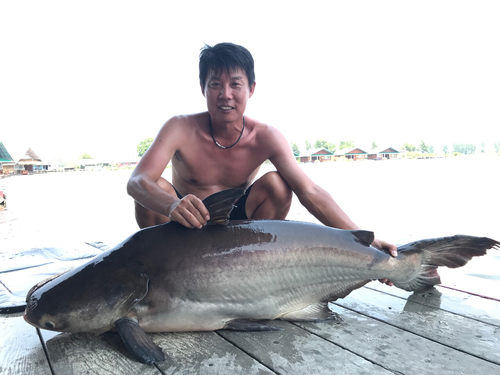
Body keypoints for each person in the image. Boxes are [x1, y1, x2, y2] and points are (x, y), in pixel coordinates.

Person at [127, 43, 397, 284]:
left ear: (251, 89)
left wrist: (366, 240)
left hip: (236, 234)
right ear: (203, 89)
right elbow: (137, 181)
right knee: (153, 188)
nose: (226, 94)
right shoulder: (179, 127)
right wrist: (172, 204)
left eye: (235, 84)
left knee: (278, 185)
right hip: (181, 227)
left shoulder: (266, 136)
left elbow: (309, 191)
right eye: (215, 84)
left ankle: (253, 271)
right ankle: (161, 275)